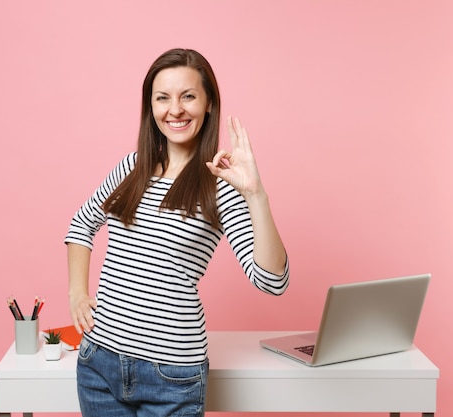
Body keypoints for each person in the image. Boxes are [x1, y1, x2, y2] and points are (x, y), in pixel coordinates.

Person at [65, 48, 290, 417]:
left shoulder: (221, 185)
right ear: (150, 107)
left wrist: (255, 195)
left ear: (208, 104)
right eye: (162, 98)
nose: (175, 110)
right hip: (99, 365)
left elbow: (271, 280)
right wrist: (77, 292)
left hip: (172, 376)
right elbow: (81, 224)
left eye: (188, 96)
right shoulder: (133, 166)